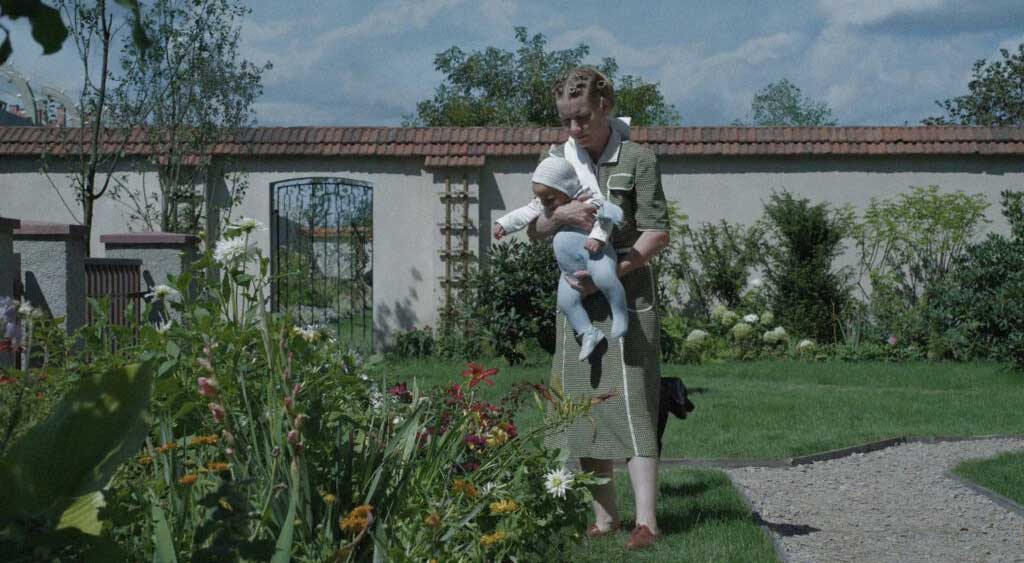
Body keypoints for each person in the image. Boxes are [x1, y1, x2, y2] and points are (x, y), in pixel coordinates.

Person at [527, 66, 670, 551]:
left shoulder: (638, 159)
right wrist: (560, 215)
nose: (574, 130)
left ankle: (646, 522)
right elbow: (536, 228)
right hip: (578, 306)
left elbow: (656, 230)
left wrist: (613, 271)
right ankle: (605, 518)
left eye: (582, 118)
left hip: (628, 294)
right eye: (567, 120)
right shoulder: (557, 160)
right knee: (585, 405)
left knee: (634, 405)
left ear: (605, 107)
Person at [492, 155, 627, 360]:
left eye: (550, 198)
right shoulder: (546, 204)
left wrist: (598, 238)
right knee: (565, 301)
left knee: (605, 278)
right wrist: (504, 224)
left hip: (595, 255)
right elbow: (524, 213)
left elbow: (607, 214)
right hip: (569, 270)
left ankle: (619, 312)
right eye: (542, 199)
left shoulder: (586, 198)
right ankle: (588, 332)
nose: (545, 204)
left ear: (566, 188)